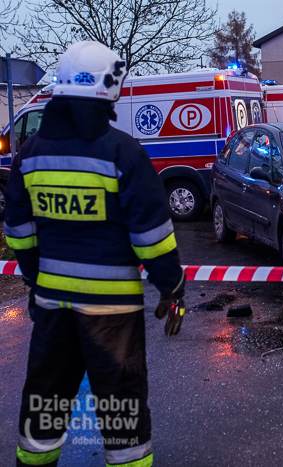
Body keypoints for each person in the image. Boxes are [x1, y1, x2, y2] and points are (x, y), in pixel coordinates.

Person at [4, 41, 186, 467]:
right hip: (112, 314)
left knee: (45, 399)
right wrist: (172, 287)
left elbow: (19, 232)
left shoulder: (29, 155)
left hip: (52, 307)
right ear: (109, 87)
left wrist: (36, 280)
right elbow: (152, 237)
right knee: (121, 408)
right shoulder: (123, 153)